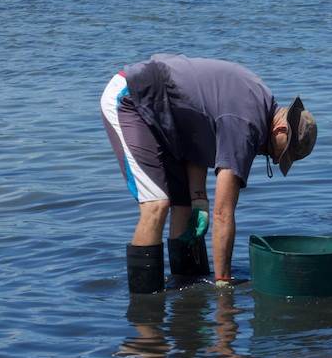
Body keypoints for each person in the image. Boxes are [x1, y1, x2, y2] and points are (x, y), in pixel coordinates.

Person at [100, 54, 316, 293]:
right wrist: (224, 283)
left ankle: (184, 287)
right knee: (156, 205)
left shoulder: (260, 102)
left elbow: (198, 132)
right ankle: (144, 304)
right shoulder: (245, 125)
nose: (276, 159)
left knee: (183, 206)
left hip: (168, 115)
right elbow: (223, 213)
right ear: (280, 128)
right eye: (282, 152)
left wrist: (198, 199)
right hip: (132, 97)